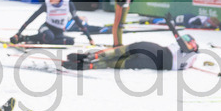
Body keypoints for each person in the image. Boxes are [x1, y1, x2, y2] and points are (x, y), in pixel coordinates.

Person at [63, 32, 200, 71]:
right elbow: (184, 45)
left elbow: (184, 45)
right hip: (159, 58)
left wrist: (172, 28)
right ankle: (90, 60)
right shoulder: (191, 59)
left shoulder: (191, 51)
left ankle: (90, 61)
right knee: (122, 53)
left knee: (120, 56)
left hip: (158, 56)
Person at [9, 0, 93, 45]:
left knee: (71, 41)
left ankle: (38, 41)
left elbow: (77, 20)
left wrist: (90, 38)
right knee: (49, 36)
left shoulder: (68, 4)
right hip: (46, 28)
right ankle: (23, 38)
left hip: (59, 31)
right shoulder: (46, 4)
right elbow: (32, 18)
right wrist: (18, 33)